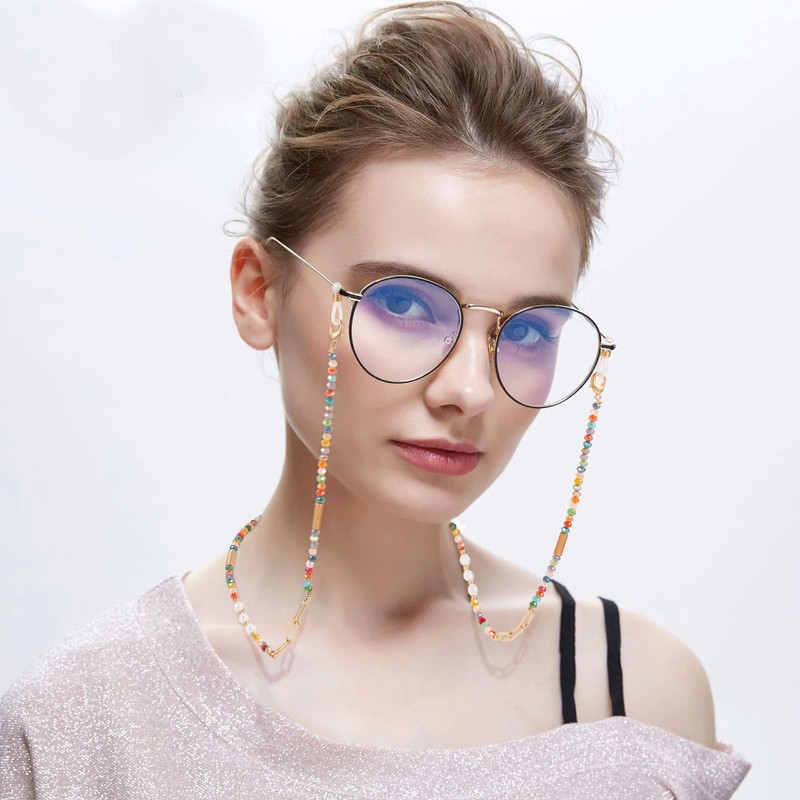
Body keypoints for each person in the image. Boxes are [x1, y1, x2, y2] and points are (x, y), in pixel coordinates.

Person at [0, 2, 752, 797]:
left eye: (528, 331)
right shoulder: (83, 720)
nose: (468, 391)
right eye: (402, 304)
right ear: (259, 291)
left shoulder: (636, 698)